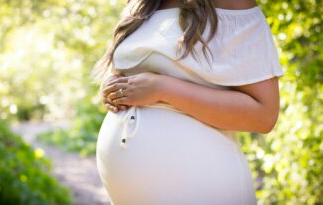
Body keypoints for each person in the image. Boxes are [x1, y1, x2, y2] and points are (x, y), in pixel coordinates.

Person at [92, 0, 284, 204]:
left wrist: (163, 89)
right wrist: (113, 86)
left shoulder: (232, 3)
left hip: (206, 185)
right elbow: (131, 70)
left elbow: (263, 114)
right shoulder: (143, 5)